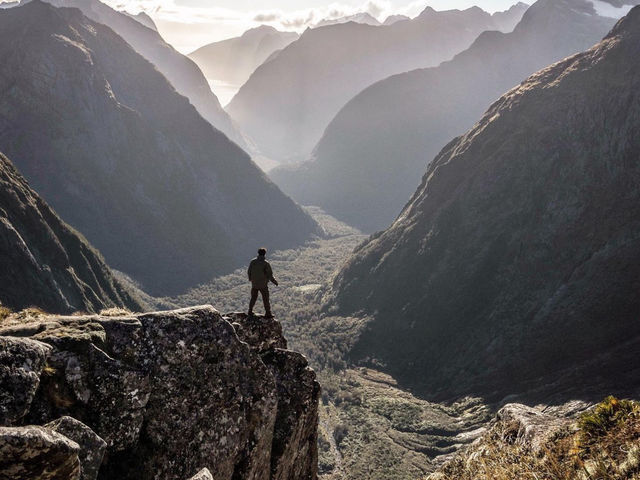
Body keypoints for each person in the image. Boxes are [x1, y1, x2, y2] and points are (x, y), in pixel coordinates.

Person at [247, 248, 278, 318]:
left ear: (258, 253)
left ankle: (250, 311)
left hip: (254, 284)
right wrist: (275, 282)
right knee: (265, 298)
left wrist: (251, 279)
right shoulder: (265, 263)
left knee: (253, 298)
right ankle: (268, 313)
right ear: (265, 254)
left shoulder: (253, 262)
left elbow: (249, 271)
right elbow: (270, 275)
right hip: (263, 285)